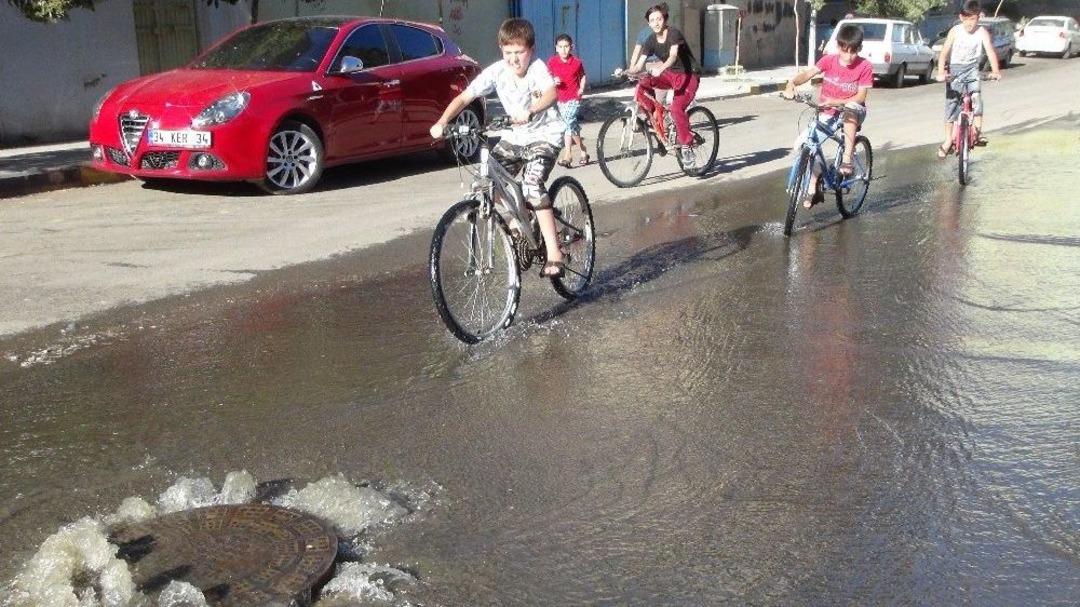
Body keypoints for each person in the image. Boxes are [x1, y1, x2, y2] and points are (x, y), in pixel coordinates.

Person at [429, 18, 568, 277]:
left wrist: (531, 110)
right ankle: (519, 216)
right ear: (501, 50)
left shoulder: (537, 68)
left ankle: (554, 253)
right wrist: (442, 122)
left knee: (532, 185)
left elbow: (551, 93)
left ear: (531, 50)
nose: (514, 59)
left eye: (519, 52)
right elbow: (464, 97)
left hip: (545, 136)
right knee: (485, 185)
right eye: (508, 52)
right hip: (515, 137)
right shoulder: (497, 72)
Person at [782, 23, 872, 208]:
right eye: (845, 51)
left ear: (860, 48)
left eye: (853, 52)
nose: (848, 56)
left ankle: (847, 158)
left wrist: (837, 101)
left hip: (853, 110)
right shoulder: (828, 61)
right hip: (828, 111)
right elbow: (807, 74)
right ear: (838, 46)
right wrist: (791, 84)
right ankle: (815, 184)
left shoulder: (864, 66)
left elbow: (861, 96)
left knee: (850, 109)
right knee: (804, 145)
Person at [617, 3, 701, 166]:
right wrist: (625, 71)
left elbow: (673, 56)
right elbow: (638, 66)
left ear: (665, 19)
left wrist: (660, 68)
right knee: (642, 83)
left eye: (659, 19)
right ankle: (654, 115)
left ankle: (687, 146)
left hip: (688, 75)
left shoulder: (674, 33)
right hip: (670, 75)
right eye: (652, 20)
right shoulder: (650, 40)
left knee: (676, 108)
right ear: (648, 23)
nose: (656, 23)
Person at [936, 0, 1001, 158]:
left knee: (976, 98)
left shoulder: (982, 32)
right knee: (952, 104)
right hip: (955, 70)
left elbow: (990, 51)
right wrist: (941, 73)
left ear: (979, 18)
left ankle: (977, 133)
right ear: (961, 17)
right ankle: (948, 140)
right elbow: (944, 53)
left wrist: (995, 71)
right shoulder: (955, 31)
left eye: (973, 19)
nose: (969, 23)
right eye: (966, 19)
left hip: (972, 70)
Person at [547, 34, 589, 167]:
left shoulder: (576, 62)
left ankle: (568, 155)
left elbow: (583, 76)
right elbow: (547, 76)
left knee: (567, 123)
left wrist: (581, 88)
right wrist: (553, 80)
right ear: (556, 48)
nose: (563, 50)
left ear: (571, 47)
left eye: (566, 46)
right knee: (571, 125)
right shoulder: (552, 62)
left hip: (574, 98)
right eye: (560, 47)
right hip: (560, 99)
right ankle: (583, 150)